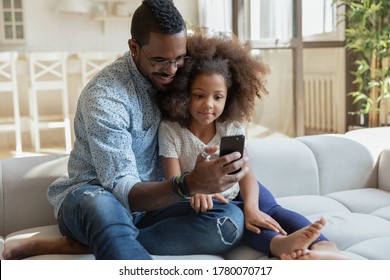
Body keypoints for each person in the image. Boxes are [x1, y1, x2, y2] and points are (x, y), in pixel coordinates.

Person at [2, 0, 249, 260]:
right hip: (95, 197)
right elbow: (123, 188)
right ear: (133, 47)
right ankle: (110, 236)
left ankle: (92, 242)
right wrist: (188, 184)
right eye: (160, 60)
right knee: (103, 206)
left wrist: (233, 179)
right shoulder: (106, 96)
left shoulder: (180, 81)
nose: (172, 70)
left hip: (156, 201)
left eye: (179, 58)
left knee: (229, 221)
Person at [156, 30, 351, 260]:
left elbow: (245, 173)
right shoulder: (171, 130)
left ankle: (323, 246)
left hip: (242, 187)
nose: (208, 105)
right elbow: (173, 183)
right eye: (199, 95)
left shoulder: (230, 127)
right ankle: (281, 245)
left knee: (270, 210)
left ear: (230, 97)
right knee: (238, 217)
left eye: (218, 97)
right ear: (183, 93)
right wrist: (195, 191)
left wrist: (252, 206)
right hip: (214, 202)